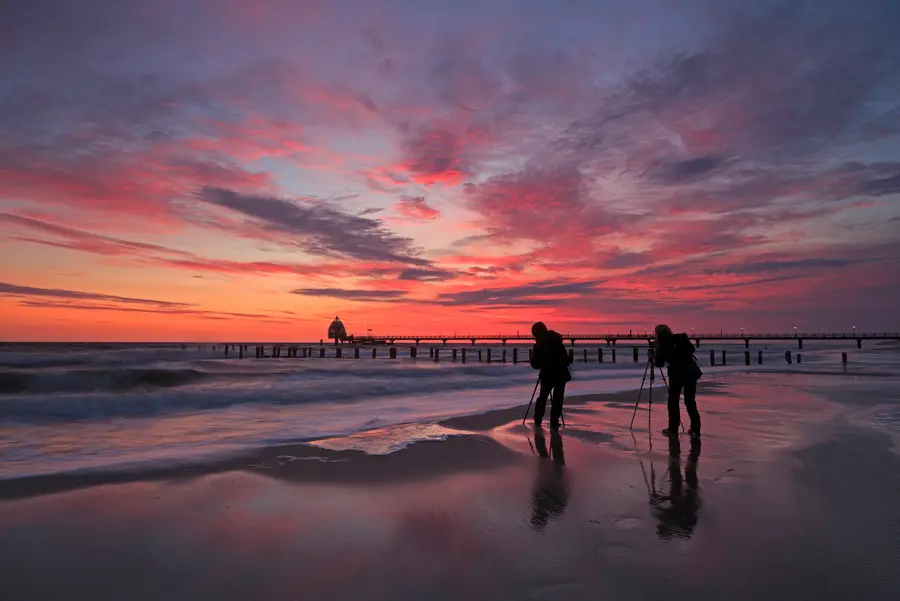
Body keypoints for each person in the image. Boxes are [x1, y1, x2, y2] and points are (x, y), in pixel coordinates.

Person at [654, 324, 703, 437]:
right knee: (690, 401)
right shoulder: (680, 339)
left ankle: (673, 429)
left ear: (658, 334)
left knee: (673, 401)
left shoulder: (663, 343)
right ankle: (695, 429)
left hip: (677, 374)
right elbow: (692, 350)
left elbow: (659, 363)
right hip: (691, 371)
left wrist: (656, 351)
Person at [529, 321, 573, 429]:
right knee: (558, 398)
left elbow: (536, 364)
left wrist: (535, 360)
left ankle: (538, 419)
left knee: (543, 397)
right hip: (560, 374)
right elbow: (566, 360)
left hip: (547, 374)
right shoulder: (557, 341)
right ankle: (554, 421)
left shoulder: (539, 345)